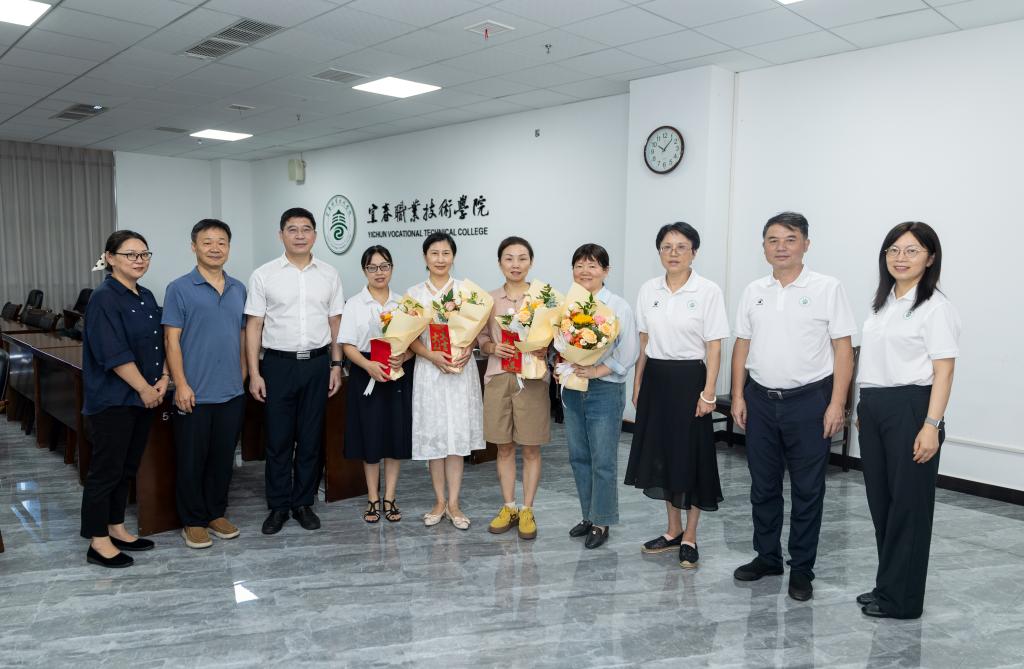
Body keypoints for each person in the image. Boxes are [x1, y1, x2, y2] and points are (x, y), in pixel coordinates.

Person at [730, 211, 856, 601]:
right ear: (763, 247)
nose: (781, 247)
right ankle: (767, 556)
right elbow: (742, 345)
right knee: (763, 486)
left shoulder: (827, 288)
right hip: (760, 400)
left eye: (790, 239)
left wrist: (837, 403)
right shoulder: (754, 290)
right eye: (773, 240)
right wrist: (737, 394)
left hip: (809, 403)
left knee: (807, 489)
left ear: (806, 244)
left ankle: (802, 568)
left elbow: (843, 349)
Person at [856, 222, 960, 619]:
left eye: (912, 250)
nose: (901, 258)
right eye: (894, 250)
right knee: (882, 502)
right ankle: (888, 585)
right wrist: (865, 407)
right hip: (875, 406)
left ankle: (903, 600)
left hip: (912, 408)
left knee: (909, 507)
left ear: (930, 258)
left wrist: (931, 425)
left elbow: (944, 371)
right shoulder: (882, 304)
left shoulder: (936, 308)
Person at [624, 223, 729, 568]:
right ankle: (672, 530)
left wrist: (709, 393)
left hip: (690, 381)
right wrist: (638, 384)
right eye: (666, 247)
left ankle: (690, 536)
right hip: (656, 380)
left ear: (693, 252)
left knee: (692, 458)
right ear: (659, 252)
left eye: (681, 247)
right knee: (662, 456)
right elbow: (644, 342)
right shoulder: (648, 290)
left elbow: (714, 347)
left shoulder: (707, 290)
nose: (673, 253)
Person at [245, 207, 345, 535]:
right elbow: (254, 325)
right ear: (281, 235)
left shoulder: (329, 274)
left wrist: (336, 365)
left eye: (306, 229)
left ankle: (303, 503)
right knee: (278, 439)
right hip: (277, 364)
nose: (300, 235)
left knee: (310, 438)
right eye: (292, 229)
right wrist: (255, 373)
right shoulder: (264, 275)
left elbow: (335, 323)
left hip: (317, 364)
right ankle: (278, 506)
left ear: (315, 234)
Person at [80, 230, 167, 568]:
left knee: (126, 467)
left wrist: (163, 379)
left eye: (144, 254)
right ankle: (97, 540)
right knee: (106, 470)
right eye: (130, 254)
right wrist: (144, 388)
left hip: (143, 397)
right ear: (110, 258)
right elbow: (112, 352)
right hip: (114, 400)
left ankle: (116, 526)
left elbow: (157, 342)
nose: (139, 260)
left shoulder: (144, 295)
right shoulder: (104, 298)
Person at [163, 219, 247, 549]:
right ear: (194, 247)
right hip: (194, 392)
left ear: (229, 247)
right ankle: (193, 521)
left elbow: (243, 337)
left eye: (222, 242)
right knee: (191, 460)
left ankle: (215, 513)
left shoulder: (239, 288)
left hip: (232, 391)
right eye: (207, 242)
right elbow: (171, 341)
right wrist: (181, 385)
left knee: (222, 459)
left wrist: (243, 375)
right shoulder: (179, 288)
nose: (215, 248)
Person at [562, 243, 639, 549]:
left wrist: (597, 370)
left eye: (592, 265)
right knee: (579, 456)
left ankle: (602, 521)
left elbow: (629, 351)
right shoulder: (567, 304)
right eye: (579, 265)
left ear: (606, 271)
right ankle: (588, 514)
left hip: (604, 389)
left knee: (602, 460)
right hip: (573, 387)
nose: (585, 271)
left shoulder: (618, 307)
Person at [408, 232, 485, 530]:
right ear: (425, 257)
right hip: (430, 371)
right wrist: (431, 355)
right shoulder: (415, 294)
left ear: (453, 256)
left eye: (446, 253)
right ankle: (439, 501)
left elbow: (476, 331)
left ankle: (454, 503)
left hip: (459, 370)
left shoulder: (466, 292)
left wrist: (468, 347)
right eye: (434, 253)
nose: (440, 259)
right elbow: (408, 338)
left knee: (456, 437)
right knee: (436, 436)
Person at [478, 236, 550, 540]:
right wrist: (493, 347)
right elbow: (481, 338)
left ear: (530, 262)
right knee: (504, 446)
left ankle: (528, 509)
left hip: (531, 379)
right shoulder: (488, 299)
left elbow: (557, 336)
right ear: (500, 263)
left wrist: (546, 348)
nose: (515, 264)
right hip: (499, 377)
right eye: (509, 258)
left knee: (531, 447)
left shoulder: (544, 298)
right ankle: (509, 506)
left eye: (522, 258)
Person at [338, 245, 413, 524]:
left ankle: (390, 498)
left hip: (395, 373)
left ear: (392, 268)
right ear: (364, 271)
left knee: (394, 437)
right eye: (372, 267)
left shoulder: (403, 304)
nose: (379, 272)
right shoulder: (354, 304)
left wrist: (403, 357)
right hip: (365, 372)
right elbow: (347, 345)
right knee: (369, 437)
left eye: (384, 266)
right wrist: (368, 365)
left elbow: (413, 344)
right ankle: (372, 498)